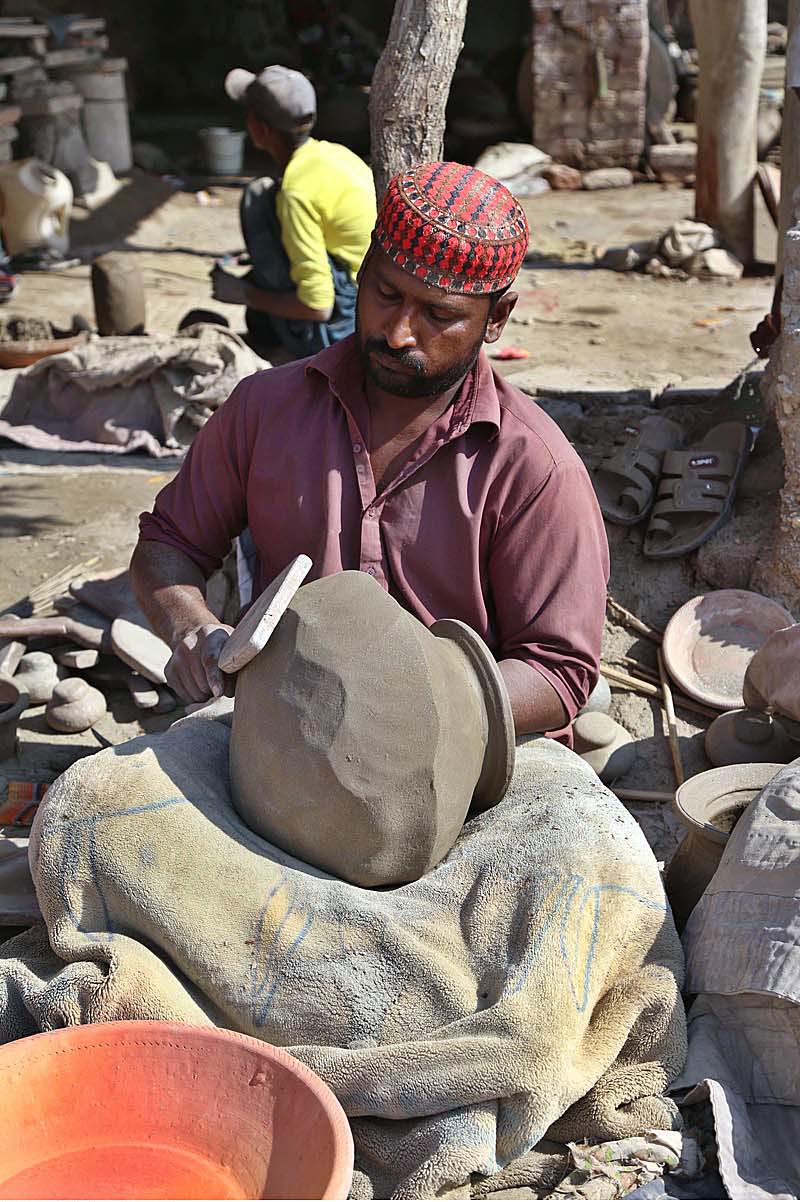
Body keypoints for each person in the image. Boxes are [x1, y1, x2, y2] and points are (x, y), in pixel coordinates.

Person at [132, 161, 609, 742]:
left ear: (496, 318)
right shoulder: (265, 408)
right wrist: (193, 631)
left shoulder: (533, 467)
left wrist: (415, 709)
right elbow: (167, 545)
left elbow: (558, 670)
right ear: (362, 271)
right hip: (287, 735)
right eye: (386, 293)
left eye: (439, 314)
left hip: (458, 754)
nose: (399, 332)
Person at [210, 64, 376, 358]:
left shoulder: (296, 191)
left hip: (338, 331)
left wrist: (242, 293)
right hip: (370, 300)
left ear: (259, 127)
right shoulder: (339, 155)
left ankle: (297, 347)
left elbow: (319, 306)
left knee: (258, 198)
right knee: (267, 193)